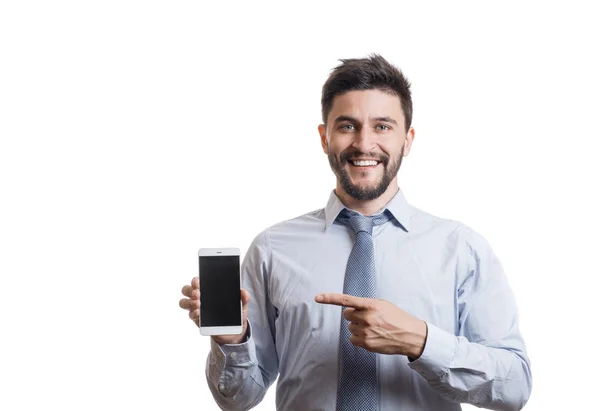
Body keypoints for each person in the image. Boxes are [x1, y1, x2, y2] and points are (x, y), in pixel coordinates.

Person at [179, 54, 532, 411]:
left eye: (382, 126)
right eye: (347, 126)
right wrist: (232, 340)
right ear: (324, 137)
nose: (364, 144)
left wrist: (419, 341)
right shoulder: (272, 249)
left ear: (407, 139)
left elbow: (515, 386)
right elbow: (238, 399)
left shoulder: (460, 248)